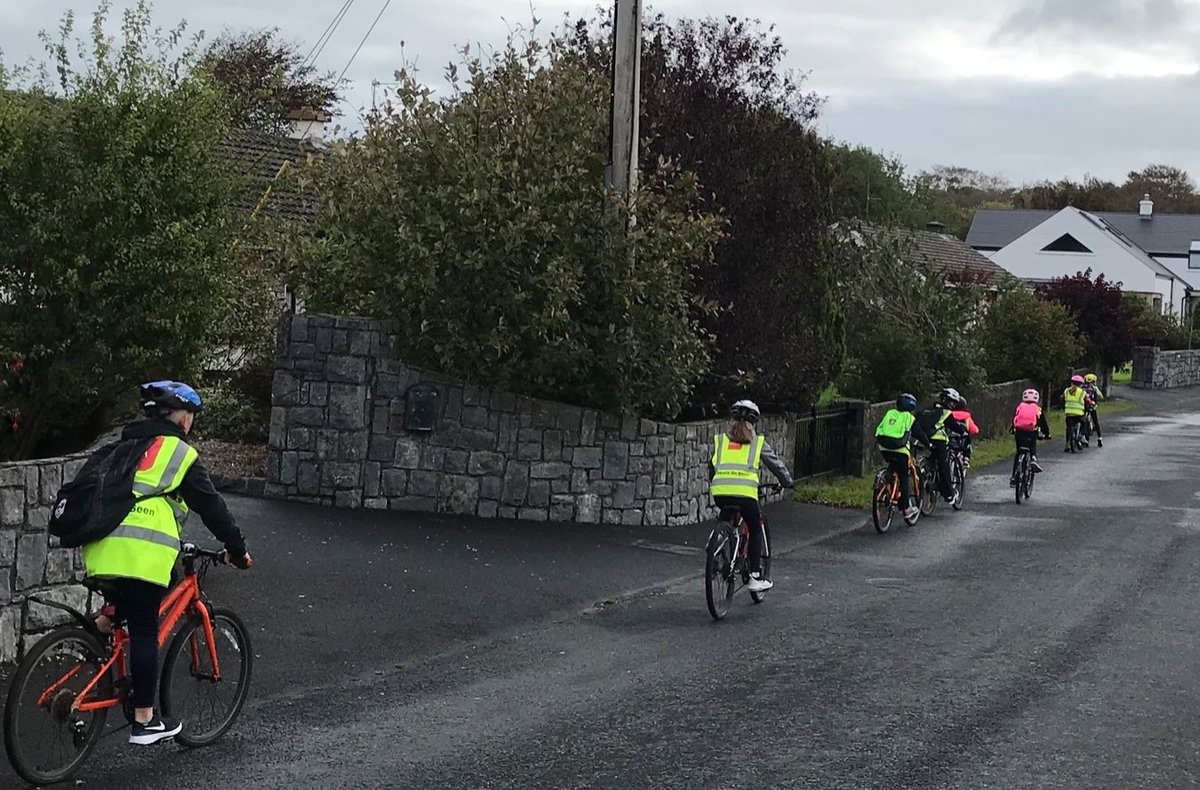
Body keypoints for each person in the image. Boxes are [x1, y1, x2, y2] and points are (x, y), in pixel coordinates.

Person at [82, 381, 252, 745]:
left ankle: (101, 621)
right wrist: (237, 549)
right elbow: (212, 507)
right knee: (145, 628)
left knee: (131, 600)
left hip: (99, 548)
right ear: (183, 418)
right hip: (139, 552)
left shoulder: (126, 445)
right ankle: (145, 720)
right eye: (190, 415)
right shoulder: (176, 453)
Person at [708, 399, 794, 593]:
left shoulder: (721, 441)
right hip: (746, 494)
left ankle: (714, 545)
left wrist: (717, 482)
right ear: (753, 424)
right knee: (755, 527)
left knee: (725, 519)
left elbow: (712, 466)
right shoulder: (756, 443)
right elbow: (776, 464)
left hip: (721, 493)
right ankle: (755, 577)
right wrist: (787, 482)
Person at [875, 392, 931, 522]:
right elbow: (919, 433)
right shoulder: (909, 418)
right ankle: (906, 509)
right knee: (904, 477)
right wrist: (928, 444)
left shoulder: (890, 413)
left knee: (892, 466)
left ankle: (884, 485)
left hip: (884, 446)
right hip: (900, 449)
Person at [916, 388, 969, 503]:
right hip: (937, 440)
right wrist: (963, 432)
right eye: (952, 402)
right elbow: (954, 426)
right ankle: (948, 494)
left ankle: (927, 472)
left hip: (922, 439)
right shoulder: (946, 413)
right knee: (943, 465)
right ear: (947, 401)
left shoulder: (928, 409)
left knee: (932, 459)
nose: (953, 405)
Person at [1011, 388, 1051, 485]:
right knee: (1032, 444)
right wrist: (1047, 434)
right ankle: (1033, 458)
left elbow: (1015, 419)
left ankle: (1014, 477)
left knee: (1019, 452)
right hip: (1031, 432)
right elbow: (1043, 423)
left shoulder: (1020, 406)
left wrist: (1013, 429)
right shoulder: (1038, 409)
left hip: (1019, 432)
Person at [949, 394, 979, 467]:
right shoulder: (966, 417)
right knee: (967, 442)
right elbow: (974, 430)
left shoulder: (948, 415)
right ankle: (966, 458)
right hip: (961, 442)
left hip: (949, 440)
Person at [1063, 375, 1088, 452]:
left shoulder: (1067, 390)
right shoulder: (1082, 392)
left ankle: (1067, 444)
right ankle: (1082, 436)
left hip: (1069, 413)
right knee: (1084, 422)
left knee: (1068, 428)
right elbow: (1087, 400)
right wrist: (1091, 403)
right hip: (1079, 413)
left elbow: (1062, 397)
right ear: (1081, 384)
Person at [1082, 372, 1104, 448]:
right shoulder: (1094, 388)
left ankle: (1085, 438)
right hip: (1092, 407)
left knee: (1084, 421)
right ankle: (1099, 437)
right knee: (1095, 422)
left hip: (1084, 407)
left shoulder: (1083, 387)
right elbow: (1101, 396)